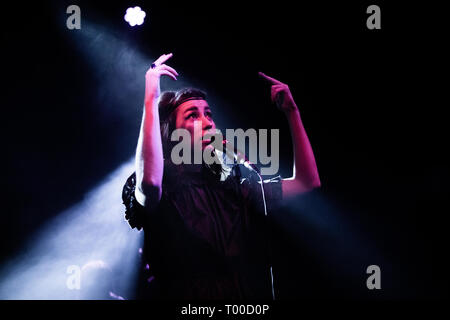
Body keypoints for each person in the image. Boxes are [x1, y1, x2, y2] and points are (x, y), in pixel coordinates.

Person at [122, 53, 321, 299]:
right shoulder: (165, 186)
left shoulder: (235, 184)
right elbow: (150, 183)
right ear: (171, 134)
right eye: (192, 115)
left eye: (208, 114)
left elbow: (307, 181)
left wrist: (292, 112)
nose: (207, 122)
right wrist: (151, 96)